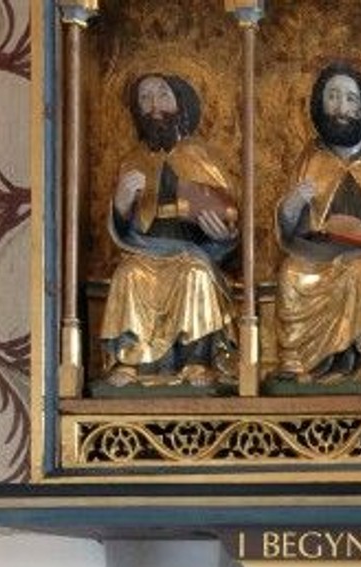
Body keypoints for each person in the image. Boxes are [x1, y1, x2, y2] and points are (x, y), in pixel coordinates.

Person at [274, 63, 361, 384]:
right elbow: (287, 228)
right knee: (292, 273)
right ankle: (303, 361)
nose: (341, 108)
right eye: (332, 97)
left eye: (350, 99)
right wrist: (292, 205)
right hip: (315, 255)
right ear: (320, 105)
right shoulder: (309, 160)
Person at [100, 73, 239, 388]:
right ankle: (131, 361)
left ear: (180, 103)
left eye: (162, 95)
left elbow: (228, 214)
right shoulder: (132, 161)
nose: (154, 106)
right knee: (128, 274)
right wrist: (121, 204)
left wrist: (222, 234)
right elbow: (121, 230)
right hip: (145, 248)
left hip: (192, 249)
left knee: (196, 273)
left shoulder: (200, 157)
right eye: (145, 98)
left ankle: (196, 361)